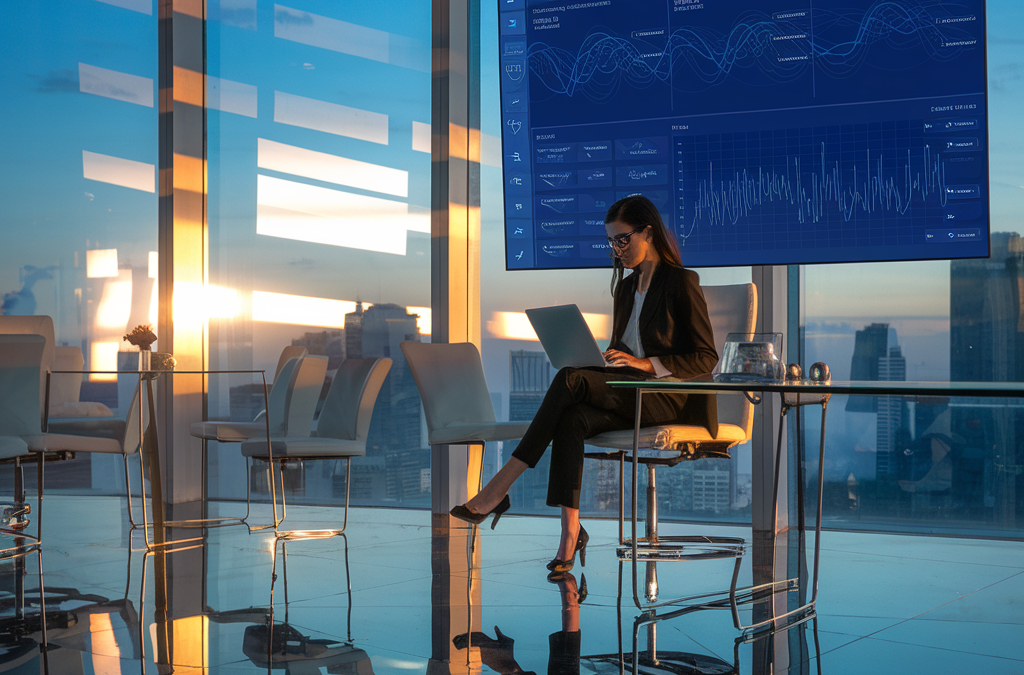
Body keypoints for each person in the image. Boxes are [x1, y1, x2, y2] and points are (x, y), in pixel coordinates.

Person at [450, 194, 719, 576]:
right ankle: (570, 533)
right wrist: (609, 358)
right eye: (611, 241)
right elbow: (627, 348)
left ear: (648, 232)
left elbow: (706, 357)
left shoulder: (681, 281)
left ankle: (498, 488)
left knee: (568, 379)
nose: (616, 249)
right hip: (629, 390)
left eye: (623, 239)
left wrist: (645, 363)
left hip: (666, 396)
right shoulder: (625, 288)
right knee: (572, 417)